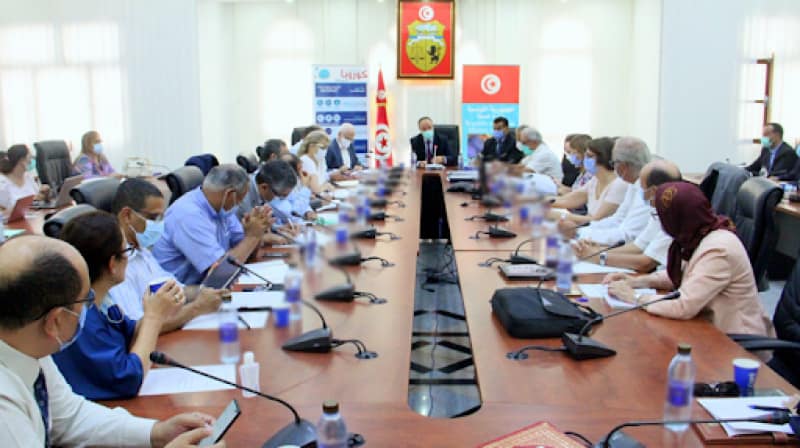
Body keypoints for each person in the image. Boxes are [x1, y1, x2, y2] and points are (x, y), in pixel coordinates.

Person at [0, 235, 224, 447]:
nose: (90, 308)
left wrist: (156, 432)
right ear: (55, 321)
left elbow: (70, 417)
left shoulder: (29, 345)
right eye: (86, 300)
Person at [605, 182, 774, 336]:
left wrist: (634, 297)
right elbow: (682, 274)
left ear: (676, 218)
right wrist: (636, 282)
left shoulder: (718, 250)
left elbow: (683, 306)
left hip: (736, 342)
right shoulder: (697, 235)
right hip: (706, 327)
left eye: (661, 217)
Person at [53, 211, 184, 400]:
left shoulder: (101, 299)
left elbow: (130, 335)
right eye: (126, 251)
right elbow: (130, 379)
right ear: (112, 264)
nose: (129, 257)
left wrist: (157, 308)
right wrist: (153, 317)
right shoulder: (78, 318)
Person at [109, 178, 225, 328]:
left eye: (160, 218)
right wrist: (196, 308)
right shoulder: (116, 262)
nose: (158, 224)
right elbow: (136, 328)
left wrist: (207, 291)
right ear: (127, 215)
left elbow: (177, 290)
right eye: (153, 218)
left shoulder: (141, 250)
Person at [152, 164, 273, 284]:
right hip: (182, 291)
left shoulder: (223, 209)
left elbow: (247, 255)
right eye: (240, 200)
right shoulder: (188, 215)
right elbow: (221, 273)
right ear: (230, 194)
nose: (238, 205)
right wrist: (252, 237)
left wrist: (257, 231)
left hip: (210, 287)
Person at [575, 159, 681, 273]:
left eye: (642, 188)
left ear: (654, 191)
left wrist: (596, 257)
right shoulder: (658, 211)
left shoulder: (676, 215)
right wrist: (596, 250)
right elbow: (638, 246)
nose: (640, 193)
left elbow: (646, 263)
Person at [559, 137, 652, 244]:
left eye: (614, 163)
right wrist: (579, 231)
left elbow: (628, 235)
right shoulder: (633, 184)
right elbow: (617, 220)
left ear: (623, 166)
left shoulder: (645, 190)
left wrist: (578, 233)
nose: (613, 167)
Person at [550, 137, 627, 225]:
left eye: (589, 156)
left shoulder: (619, 185)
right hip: (591, 229)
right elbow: (570, 199)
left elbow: (597, 219)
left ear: (603, 158)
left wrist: (561, 216)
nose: (584, 159)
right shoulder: (595, 179)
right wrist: (542, 202)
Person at [238, 160, 301, 231]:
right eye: (280, 196)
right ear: (264, 187)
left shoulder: (262, 189)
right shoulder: (243, 196)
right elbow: (244, 230)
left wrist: (279, 228)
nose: (280, 200)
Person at [0, 144, 50, 213]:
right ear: (21, 161)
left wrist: (43, 194)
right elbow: (3, 212)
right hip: (15, 219)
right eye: (30, 159)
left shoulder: (28, 177)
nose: (31, 162)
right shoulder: (2, 183)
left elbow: (36, 198)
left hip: (35, 216)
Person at [280, 153, 317, 221]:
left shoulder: (295, 181)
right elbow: (296, 212)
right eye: (300, 168)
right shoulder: (281, 187)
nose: (302, 171)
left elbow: (298, 200)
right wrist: (305, 187)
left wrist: (308, 211)